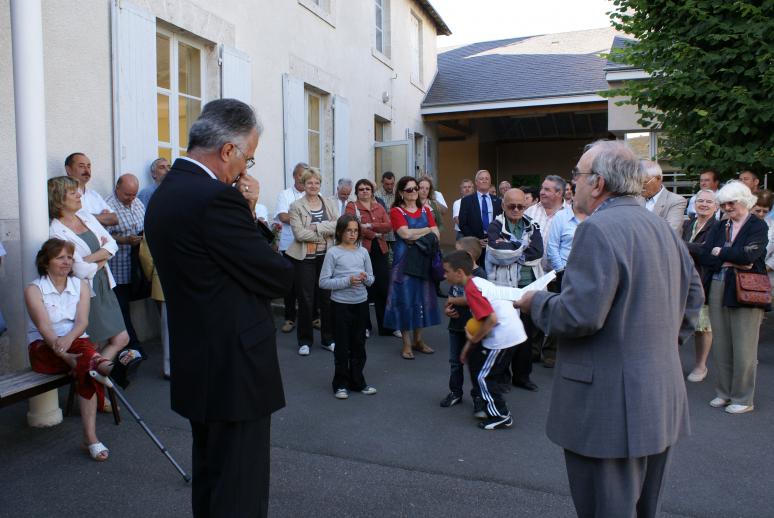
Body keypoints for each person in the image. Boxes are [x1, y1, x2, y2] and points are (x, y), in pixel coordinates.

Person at [517, 140, 703, 518]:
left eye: (577, 176)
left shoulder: (597, 230)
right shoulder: (662, 228)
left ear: (598, 183)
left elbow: (578, 316)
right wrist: (660, 347)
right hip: (659, 398)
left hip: (608, 408)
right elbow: (693, 299)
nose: (573, 185)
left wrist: (534, 302)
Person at [145, 98, 292, 517]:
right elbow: (276, 275)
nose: (246, 170)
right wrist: (248, 210)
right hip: (235, 368)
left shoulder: (165, 194)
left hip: (197, 358)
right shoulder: (216, 200)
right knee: (240, 490)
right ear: (228, 150)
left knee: (211, 478)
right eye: (248, 157)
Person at [24, 239, 115, 461]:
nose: (67, 262)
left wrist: (67, 341)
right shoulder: (34, 289)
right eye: (60, 257)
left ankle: (90, 437)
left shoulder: (81, 285)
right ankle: (103, 365)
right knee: (89, 364)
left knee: (85, 361)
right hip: (45, 347)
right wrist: (62, 351)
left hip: (75, 341)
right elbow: (44, 327)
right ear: (46, 262)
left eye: (69, 257)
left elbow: (82, 322)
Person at [48, 176, 138, 389]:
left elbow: (113, 244)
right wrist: (102, 255)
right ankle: (94, 389)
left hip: (104, 283)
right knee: (94, 344)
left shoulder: (85, 216)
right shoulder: (56, 231)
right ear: (59, 200)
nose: (80, 195)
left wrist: (90, 259)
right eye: (73, 193)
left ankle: (92, 378)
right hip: (85, 291)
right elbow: (78, 269)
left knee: (121, 338)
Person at [697, 181, 769, 414]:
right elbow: (707, 255)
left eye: (732, 202)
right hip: (719, 285)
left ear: (744, 201)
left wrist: (723, 252)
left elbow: (752, 255)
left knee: (744, 346)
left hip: (746, 290)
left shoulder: (757, 225)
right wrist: (732, 257)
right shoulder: (720, 225)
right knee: (722, 345)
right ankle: (724, 393)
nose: (727, 207)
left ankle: (743, 398)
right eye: (724, 203)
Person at [444, 249, 523, 430]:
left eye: (446, 271)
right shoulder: (477, 282)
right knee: (484, 373)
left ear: (459, 273)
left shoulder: (471, 289)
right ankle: (493, 409)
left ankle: (500, 415)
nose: (444, 275)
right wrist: (468, 348)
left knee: (483, 377)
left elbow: (491, 319)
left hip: (504, 335)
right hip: (509, 333)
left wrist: (471, 341)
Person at [486, 188, 543, 392]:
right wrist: (521, 248)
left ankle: (522, 376)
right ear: (503, 205)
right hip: (504, 289)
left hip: (528, 288)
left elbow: (537, 253)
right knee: (504, 335)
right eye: (512, 206)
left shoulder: (532, 225)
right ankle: (501, 377)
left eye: (521, 206)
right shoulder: (495, 226)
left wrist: (513, 248)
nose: (516, 209)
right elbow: (498, 252)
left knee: (525, 336)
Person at [318, 214, 377, 400]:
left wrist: (365, 279)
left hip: (360, 303)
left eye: (355, 231)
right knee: (342, 346)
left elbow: (371, 278)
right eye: (348, 231)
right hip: (340, 305)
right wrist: (347, 281)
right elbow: (323, 282)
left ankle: (358, 381)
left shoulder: (363, 252)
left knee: (359, 344)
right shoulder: (333, 252)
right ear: (340, 232)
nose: (352, 234)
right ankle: (340, 383)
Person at [384, 176, 441, 359]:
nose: (415, 191)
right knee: (405, 300)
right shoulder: (396, 211)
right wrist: (427, 230)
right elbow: (405, 234)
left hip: (423, 259)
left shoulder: (426, 209)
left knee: (421, 299)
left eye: (416, 188)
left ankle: (418, 340)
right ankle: (406, 343)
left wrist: (419, 233)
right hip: (404, 262)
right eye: (409, 189)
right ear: (401, 193)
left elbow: (437, 235)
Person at [287, 167, 338, 356]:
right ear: (303, 185)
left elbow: (338, 225)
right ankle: (305, 341)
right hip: (304, 259)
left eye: (317, 182)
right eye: (309, 182)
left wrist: (316, 226)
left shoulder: (330, 203)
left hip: (327, 257)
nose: (313, 186)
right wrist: (324, 233)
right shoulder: (296, 206)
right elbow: (299, 234)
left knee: (327, 299)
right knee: (306, 300)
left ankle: (328, 339)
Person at [345, 179, 395, 337]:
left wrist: (370, 226)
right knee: (363, 287)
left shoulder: (378, 206)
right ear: (357, 192)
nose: (365, 191)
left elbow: (389, 226)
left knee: (383, 287)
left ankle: (386, 327)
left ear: (372, 191)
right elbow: (353, 226)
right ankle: (364, 326)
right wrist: (374, 234)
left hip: (380, 249)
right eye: (361, 189)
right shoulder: (351, 206)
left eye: (367, 189)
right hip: (361, 251)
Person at [681, 189, 720, 383]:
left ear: (716, 206)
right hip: (684, 278)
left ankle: (700, 365)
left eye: (709, 202)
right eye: (700, 201)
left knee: (703, 326)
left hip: (704, 279)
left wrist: (681, 245)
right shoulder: (689, 224)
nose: (704, 204)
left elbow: (707, 252)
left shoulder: (718, 227)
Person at [440, 237, 483, 410]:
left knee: (476, 365)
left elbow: (472, 298)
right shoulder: (456, 274)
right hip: (456, 325)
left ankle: (479, 397)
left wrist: (453, 300)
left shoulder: (480, 275)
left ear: (468, 255)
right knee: (455, 362)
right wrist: (448, 307)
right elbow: (452, 295)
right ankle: (455, 392)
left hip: (473, 329)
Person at [105, 173, 146, 351]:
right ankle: (132, 348)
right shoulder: (107, 206)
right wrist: (124, 240)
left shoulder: (137, 203)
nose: (131, 198)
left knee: (132, 306)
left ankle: (132, 347)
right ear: (117, 189)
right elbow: (102, 237)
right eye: (127, 195)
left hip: (137, 266)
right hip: (117, 269)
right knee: (121, 311)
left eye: (134, 194)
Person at [274, 162, 309, 333]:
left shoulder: (315, 194)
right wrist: (304, 219)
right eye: (301, 176)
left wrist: (296, 218)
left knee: (309, 282)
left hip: (310, 244)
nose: (304, 179)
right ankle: (289, 318)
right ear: (295, 176)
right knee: (290, 284)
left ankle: (313, 317)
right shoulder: (285, 194)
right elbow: (283, 216)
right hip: (289, 245)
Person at [138, 235, 169, 379]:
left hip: (163, 277)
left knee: (168, 329)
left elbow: (145, 255)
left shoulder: (155, 216)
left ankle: (169, 368)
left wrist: (151, 276)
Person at [458, 170, 502, 269]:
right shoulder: (467, 201)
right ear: (476, 182)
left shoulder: (498, 201)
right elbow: (463, 224)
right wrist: (475, 240)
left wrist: (495, 237)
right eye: (481, 179)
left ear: (490, 182)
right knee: (477, 274)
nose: (484, 181)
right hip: (475, 245)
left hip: (494, 243)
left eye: (487, 179)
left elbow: (501, 222)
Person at [64, 152, 118, 227]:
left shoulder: (94, 195)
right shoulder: (64, 195)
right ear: (68, 170)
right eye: (81, 166)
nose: (86, 170)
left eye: (88, 166)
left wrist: (84, 218)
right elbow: (72, 221)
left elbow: (114, 219)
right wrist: (103, 217)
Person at [641, 160, 688, 233]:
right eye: (638, 182)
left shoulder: (676, 201)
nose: (641, 186)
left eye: (644, 182)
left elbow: (670, 232)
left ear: (658, 179)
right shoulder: (635, 199)